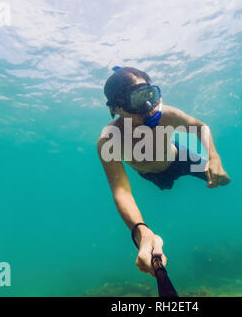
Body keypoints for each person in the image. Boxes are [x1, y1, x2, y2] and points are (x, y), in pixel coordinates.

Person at [97, 67, 230, 277]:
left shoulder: (167, 115)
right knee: (166, 187)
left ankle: (217, 173)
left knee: (223, 179)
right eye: (137, 100)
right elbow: (121, 191)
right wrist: (142, 231)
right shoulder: (109, 139)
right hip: (151, 175)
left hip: (180, 159)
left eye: (150, 95)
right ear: (115, 108)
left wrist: (214, 157)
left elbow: (200, 127)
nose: (149, 107)